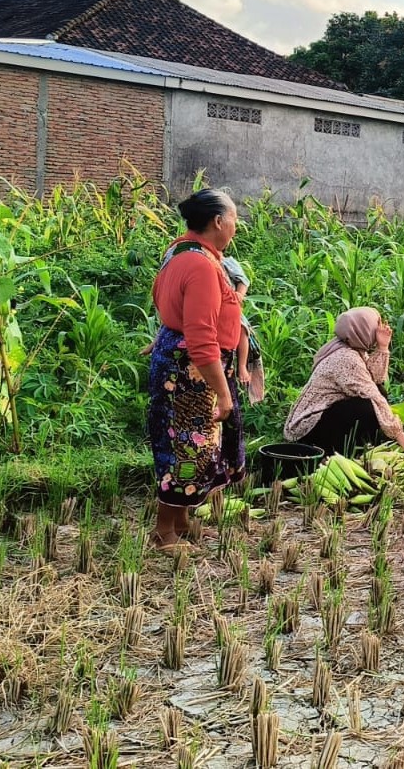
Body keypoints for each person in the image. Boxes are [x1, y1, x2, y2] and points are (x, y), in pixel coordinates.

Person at [146, 188, 247, 549]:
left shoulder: (179, 251)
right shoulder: (202, 265)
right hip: (191, 371)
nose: (237, 225)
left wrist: (161, 338)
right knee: (187, 448)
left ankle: (181, 519)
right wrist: (221, 391)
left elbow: (169, 305)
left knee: (191, 446)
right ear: (218, 221)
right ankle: (164, 532)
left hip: (183, 362)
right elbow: (201, 334)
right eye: (234, 217)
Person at [283, 307, 404, 457]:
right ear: (363, 330)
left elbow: (376, 379)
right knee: (367, 406)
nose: (377, 331)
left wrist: (382, 347)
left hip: (323, 416)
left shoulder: (352, 349)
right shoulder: (346, 358)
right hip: (307, 428)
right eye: (375, 327)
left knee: (378, 392)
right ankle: (331, 452)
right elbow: (373, 395)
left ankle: (353, 446)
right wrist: (398, 434)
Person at [220, 255, 266, 405]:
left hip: (231, 304)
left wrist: (238, 295)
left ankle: (242, 366)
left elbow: (244, 280)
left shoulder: (226, 262)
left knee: (241, 330)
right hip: (216, 309)